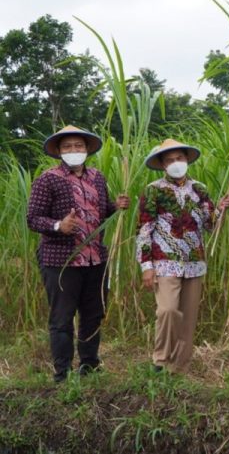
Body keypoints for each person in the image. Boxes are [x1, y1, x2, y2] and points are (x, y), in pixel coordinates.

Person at [27, 125, 130, 382]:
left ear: (86, 150)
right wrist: (58, 226)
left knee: (93, 314)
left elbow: (102, 210)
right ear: (59, 152)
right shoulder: (48, 179)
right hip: (61, 261)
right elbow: (33, 218)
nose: (74, 151)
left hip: (95, 258)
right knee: (62, 318)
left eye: (78, 146)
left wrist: (116, 206)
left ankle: (89, 365)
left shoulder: (97, 177)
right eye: (68, 147)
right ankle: (62, 373)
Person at [136, 139, 229, 374]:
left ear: (187, 160)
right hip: (164, 261)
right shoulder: (153, 190)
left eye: (179, 158)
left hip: (194, 262)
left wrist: (220, 210)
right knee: (167, 310)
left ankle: (179, 367)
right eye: (169, 160)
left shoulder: (199, 189)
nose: (175, 163)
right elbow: (144, 229)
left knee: (188, 317)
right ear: (162, 165)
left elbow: (208, 225)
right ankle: (160, 360)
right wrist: (146, 266)